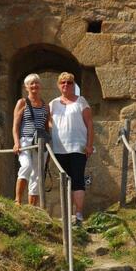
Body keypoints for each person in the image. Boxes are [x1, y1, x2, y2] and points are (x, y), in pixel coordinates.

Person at [50, 72, 94, 226]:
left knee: (77, 180)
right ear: (58, 85)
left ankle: (79, 213)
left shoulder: (81, 101)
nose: (66, 85)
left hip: (78, 147)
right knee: (64, 181)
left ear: (73, 85)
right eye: (63, 82)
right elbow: (48, 123)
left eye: (69, 82)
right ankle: (66, 214)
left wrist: (89, 145)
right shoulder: (53, 104)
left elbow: (89, 123)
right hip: (58, 148)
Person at [12, 73, 50, 206]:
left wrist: (48, 148)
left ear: (40, 86)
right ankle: (18, 200)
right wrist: (16, 142)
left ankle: (32, 207)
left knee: (37, 174)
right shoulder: (22, 102)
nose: (34, 85)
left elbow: (46, 127)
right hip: (25, 141)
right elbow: (15, 125)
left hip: (41, 143)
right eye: (31, 83)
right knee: (26, 166)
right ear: (26, 86)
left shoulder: (45, 106)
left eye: (37, 83)